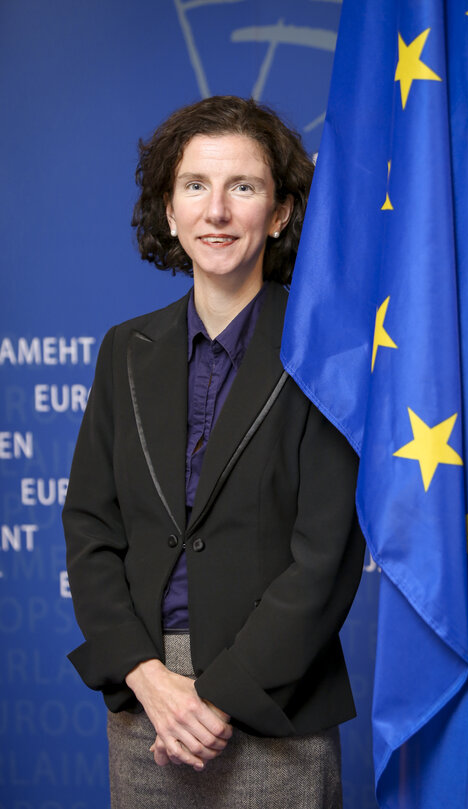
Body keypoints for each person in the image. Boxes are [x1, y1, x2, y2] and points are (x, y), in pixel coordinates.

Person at [63, 95, 365, 809]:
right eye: (195, 185)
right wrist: (147, 677)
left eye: (244, 187)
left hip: (273, 701)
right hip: (146, 704)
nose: (217, 211)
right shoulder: (123, 351)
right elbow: (90, 529)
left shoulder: (326, 353)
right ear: (169, 210)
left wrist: (213, 700)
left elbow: (324, 557)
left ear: (282, 212)